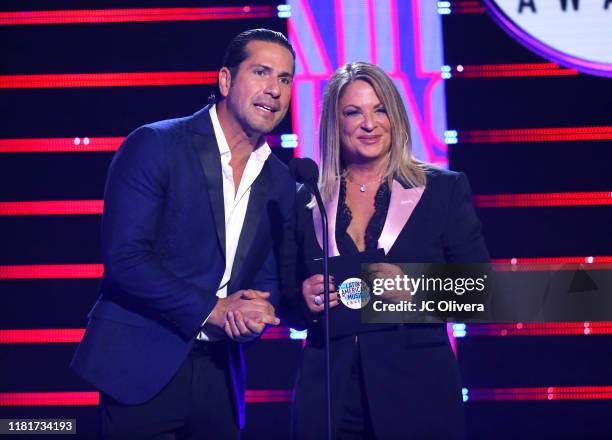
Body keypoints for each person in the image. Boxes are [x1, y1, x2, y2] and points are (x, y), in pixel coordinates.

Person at [71, 28, 296, 439]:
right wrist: (214, 309)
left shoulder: (281, 180)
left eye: (284, 79)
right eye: (261, 72)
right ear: (226, 80)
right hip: (140, 367)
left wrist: (258, 309)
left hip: (220, 375)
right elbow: (126, 260)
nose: (274, 90)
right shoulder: (156, 144)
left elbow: (266, 275)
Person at [289, 62, 489, 439]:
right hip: (329, 398)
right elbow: (288, 301)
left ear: (395, 117)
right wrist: (302, 298)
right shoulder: (307, 200)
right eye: (353, 112)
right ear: (334, 123)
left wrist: (415, 289)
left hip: (418, 395)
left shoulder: (442, 190)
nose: (369, 123)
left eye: (380, 109)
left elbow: (481, 293)